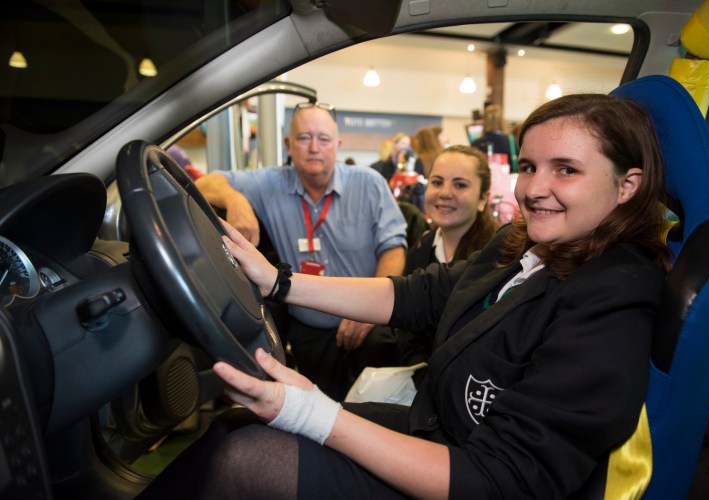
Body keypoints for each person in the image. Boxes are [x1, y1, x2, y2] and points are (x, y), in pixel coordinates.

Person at [141, 93, 672, 499]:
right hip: (436, 429)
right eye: (529, 166)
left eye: (567, 170)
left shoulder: (616, 293)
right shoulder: (525, 244)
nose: (533, 189)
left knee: (244, 460)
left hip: (467, 474)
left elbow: (501, 477)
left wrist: (313, 414)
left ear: (627, 185)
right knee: (237, 424)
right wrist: (278, 282)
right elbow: (421, 294)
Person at [194, 102, 407, 401]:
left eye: (324, 139)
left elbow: (393, 247)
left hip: (366, 326)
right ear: (288, 144)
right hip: (309, 332)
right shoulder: (270, 183)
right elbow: (203, 184)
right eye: (304, 138)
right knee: (320, 412)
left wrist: (371, 309)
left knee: (376, 409)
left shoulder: (368, 184)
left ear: (338, 145)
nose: (314, 148)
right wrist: (235, 200)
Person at [398, 144, 499, 367]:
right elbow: (408, 327)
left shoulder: (500, 257)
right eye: (437, 182)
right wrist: (419, 369)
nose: (444, 193)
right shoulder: (421, 248)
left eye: (460, 185)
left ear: (483, 199)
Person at [471, 103, 517, 172]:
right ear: (502, 120)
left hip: (486, 178)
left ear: (485, 121)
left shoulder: (477, 143)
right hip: (509, 177)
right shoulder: (512, 141)